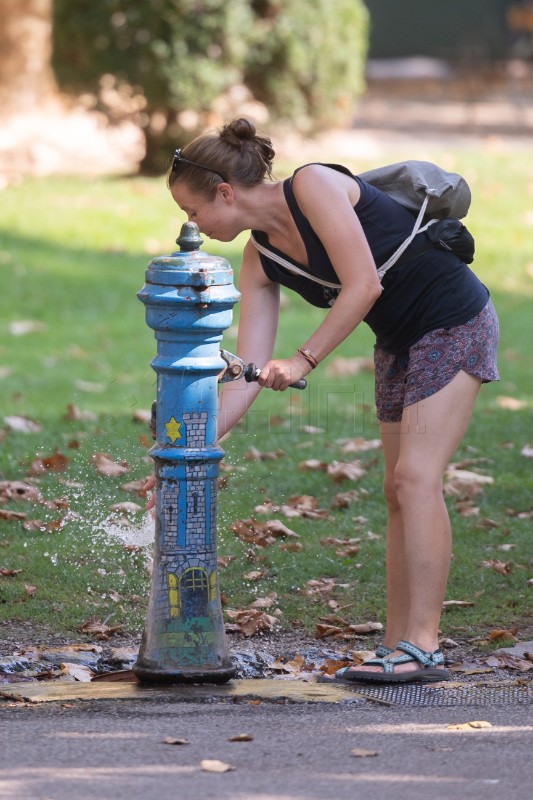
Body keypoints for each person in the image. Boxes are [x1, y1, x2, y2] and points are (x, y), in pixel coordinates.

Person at [147, 117, 499, 684]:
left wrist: (304, 360)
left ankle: (425, 647)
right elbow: (246, 377)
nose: (192, 224)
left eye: (193, 211)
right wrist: (185, 455)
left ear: (226, 193)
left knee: (415, 478)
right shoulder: (261, 258)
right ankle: (395, 645)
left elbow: (364, 285)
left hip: (454, 318)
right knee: (395, 490)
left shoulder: (313, 186)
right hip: (401, 338)